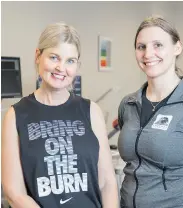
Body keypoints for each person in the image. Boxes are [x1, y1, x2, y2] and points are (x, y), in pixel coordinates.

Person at [2, 22, 119, 208]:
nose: (61, 68)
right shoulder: (15, 115)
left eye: (70, 61)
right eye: (54, 57)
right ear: (38, 56)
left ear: (77, 66)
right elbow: (14, 192)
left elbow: (107, 182)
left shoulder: (91, 111)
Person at [118, 16, 183, 208]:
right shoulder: (128, 104)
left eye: (158, 45)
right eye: (141, 47)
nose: (148, 54)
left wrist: (177, 197)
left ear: (177, 47)